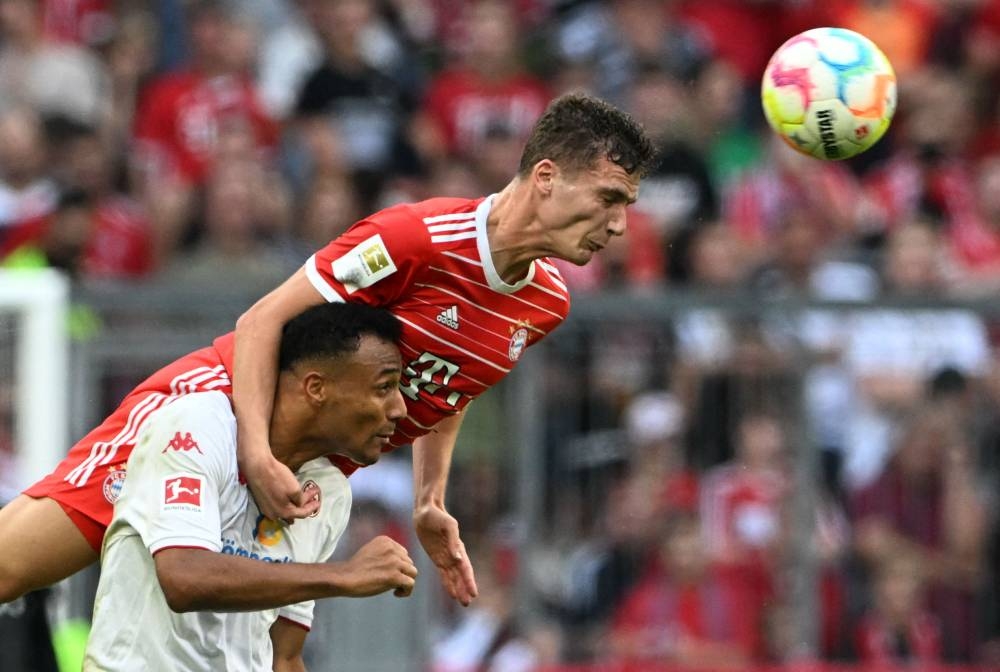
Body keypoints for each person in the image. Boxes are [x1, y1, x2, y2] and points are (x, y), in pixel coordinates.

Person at [0, 92, 657, 607]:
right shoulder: (416, 238)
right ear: (545, 177)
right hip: (216, 415)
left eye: (626, 204)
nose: (619, 225)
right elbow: (262, 321)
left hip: (305, 476)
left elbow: (454, 379)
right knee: (12, 568)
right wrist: (254, 451)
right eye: (608, 198)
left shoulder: (546, 302)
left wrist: (431, 499)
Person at [83, 301, 418, 671]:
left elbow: (285, 657)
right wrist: (343, 574)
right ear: (316, 388)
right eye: (385, 387)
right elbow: (184, 577)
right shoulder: (197, 425)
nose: (399, 409)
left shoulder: (330, 491)